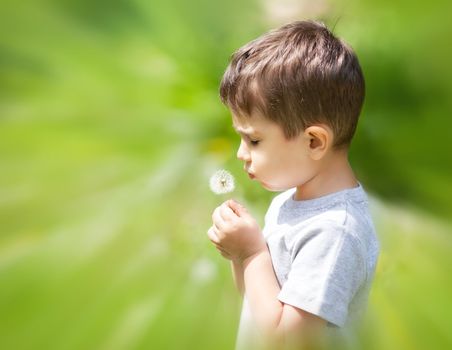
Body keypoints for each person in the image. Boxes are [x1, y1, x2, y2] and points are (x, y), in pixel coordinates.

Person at [207, 20, 380, 350]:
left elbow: (287, 342)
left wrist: (252, 251)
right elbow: (259, 302)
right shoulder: (290, 203)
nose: (241, 154)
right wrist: (238, 254)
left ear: (314, 142)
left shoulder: (334, 232)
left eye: (254, 140)